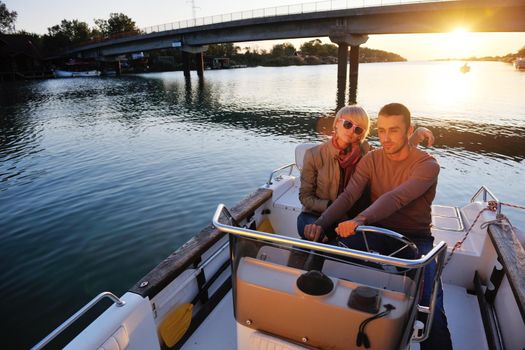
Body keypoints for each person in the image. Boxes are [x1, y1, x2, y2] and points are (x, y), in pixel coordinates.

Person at [304, 103, 451, 350]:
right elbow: (348, 197)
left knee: (430, 305)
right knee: (323, 259)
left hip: (415, 239)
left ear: (409, 130)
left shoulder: (428, 165)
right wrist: (320, 224)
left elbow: (395, 198)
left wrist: (359, 220)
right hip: (374, 232)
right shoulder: (371, 158)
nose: (385, 138)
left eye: (394, 130)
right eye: (381, 130)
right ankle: (314, 329)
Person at [297, 105, 435, 239]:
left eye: (358, 129)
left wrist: (413, 137)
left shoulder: (367, 153)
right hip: (323, 213)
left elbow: (396, 155)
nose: (351, 131)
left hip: (357, 217)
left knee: (340, 237)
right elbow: (310, 196)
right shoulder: (315, 154)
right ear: (337, 123)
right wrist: (324, 217)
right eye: (347, 124)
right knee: (312, 233)